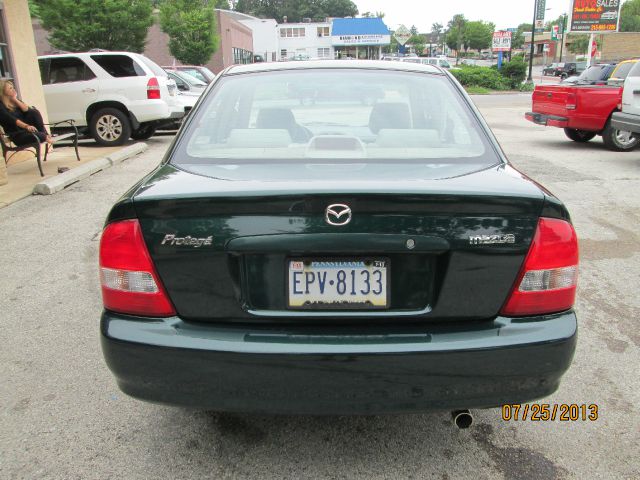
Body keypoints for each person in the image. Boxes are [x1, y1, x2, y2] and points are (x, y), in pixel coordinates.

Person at [0, 79, 53, 148]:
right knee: (41, 136)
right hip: (18, 135)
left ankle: (44, 134)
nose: (14, 90)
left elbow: (27, 110)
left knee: (34, 112)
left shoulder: (14, 101)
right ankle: (44, 135)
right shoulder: (1, 106)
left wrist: (15, 99)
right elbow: (12, 119)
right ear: (3, 91)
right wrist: (26, 126)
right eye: (10, 88)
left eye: (13, 87)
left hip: (27, 131)